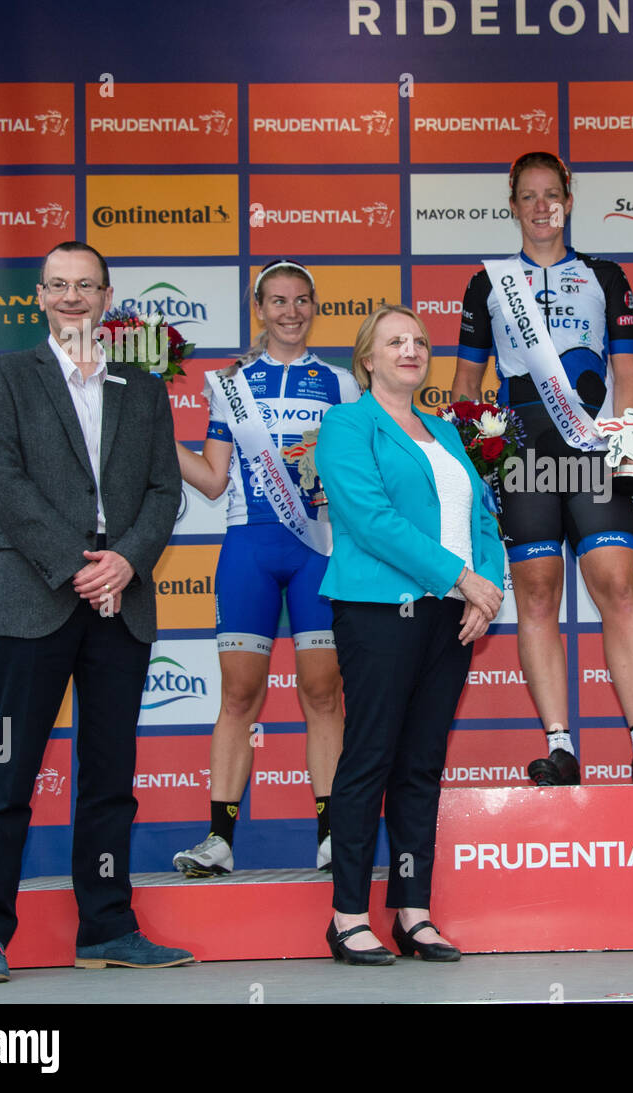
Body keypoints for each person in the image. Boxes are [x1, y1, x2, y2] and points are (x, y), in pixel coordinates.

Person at [0, 241, 190, 983]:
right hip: (37, 592)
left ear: (106, 294)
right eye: (57, 285)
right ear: (38, 295)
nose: (70, 297)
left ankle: (107, 926)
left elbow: (164, 492)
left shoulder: (143, 385)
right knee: (7, 772)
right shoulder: (1, 378)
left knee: (109, 775)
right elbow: (4, 483)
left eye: (84, 285)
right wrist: (78, 566)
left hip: (123, 594)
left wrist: (125, 560)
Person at [451, 151, 633, 787]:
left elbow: (627, 372)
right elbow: (467, 383)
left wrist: (628, 447)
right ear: (513, 205)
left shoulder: (605, 275)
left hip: (592, 451)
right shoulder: (487, 283)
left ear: (569, 201)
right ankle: (559, 745)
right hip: (521, 457)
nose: (542, 206)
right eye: (529, 196)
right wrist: (476, 468)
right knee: (539, 595)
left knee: (616, 585)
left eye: (552, 194)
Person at [315, 304, 505, 964]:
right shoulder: (346, 423)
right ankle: (346, 916)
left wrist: (488, 587)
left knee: (421, 765)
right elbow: (369, 519)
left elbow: (482, 511)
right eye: (395, 340)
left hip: (448, 615)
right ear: (367, 358)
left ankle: (413, 911)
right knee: (370, 757)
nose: (411, 349)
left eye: (420, 340)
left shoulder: (444, 432)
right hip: (378, 609)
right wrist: (461, 577)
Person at [171, 260, 359, 878]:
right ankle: (218, 841)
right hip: (249, 547)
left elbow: (354, 473)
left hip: (317, 550)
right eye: (277, 301)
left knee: (322, 693)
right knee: (239, 695)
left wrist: (334, 484)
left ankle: (333, 837)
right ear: (260, 309)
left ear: (313, 307)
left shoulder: (340, 383)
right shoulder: (228, 384)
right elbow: (212, 477)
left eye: (301, 301)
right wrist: (153, 433)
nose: (289, 311)